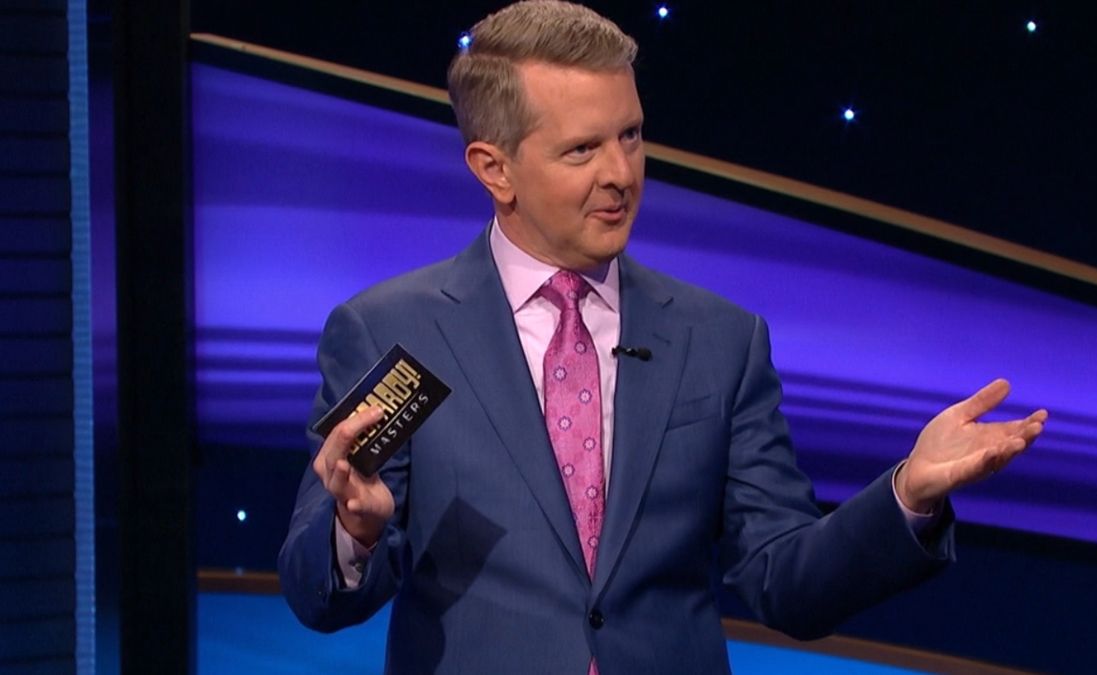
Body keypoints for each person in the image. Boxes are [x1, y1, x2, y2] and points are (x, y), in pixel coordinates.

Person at [278, 2, 1048, 673]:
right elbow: (315, 594)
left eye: (632, 136)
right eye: (582, 149)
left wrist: (906, 494)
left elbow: (786, 581)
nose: (621, 172)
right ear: (495, 168)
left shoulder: (719, 340)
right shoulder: (395, 330)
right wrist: (356, 531)